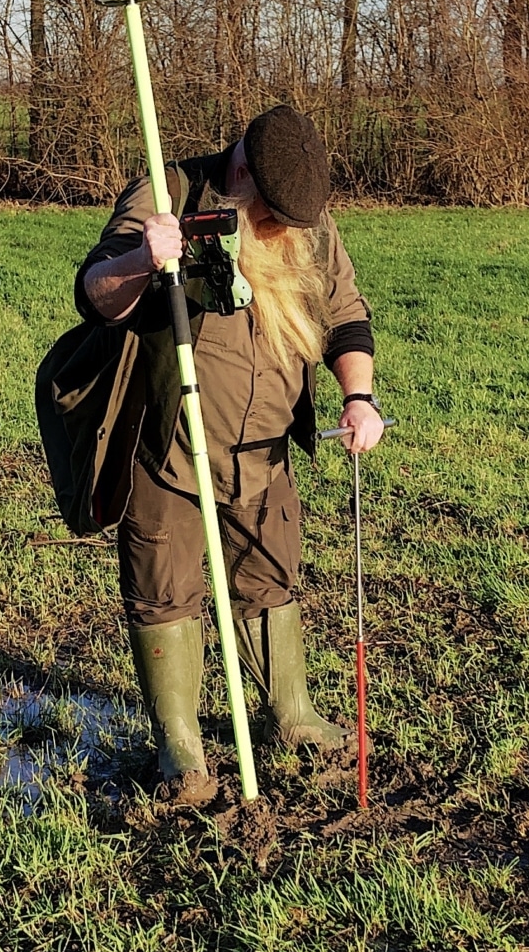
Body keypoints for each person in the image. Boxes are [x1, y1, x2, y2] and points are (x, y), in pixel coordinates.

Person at [78, 103, 384, 805]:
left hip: (265, 449)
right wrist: (142, 258)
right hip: (169, 446)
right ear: (242, 172)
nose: (282, 228)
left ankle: (294, 716)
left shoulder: (308, 221)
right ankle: (180, 749)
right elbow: (94, 294)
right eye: (271, 213)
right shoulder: (169, 191)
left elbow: (344, 313)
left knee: (271, 578)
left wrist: (359, 397)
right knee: (164, 592)